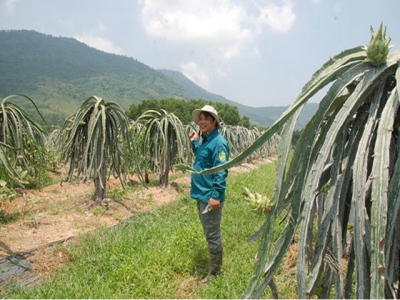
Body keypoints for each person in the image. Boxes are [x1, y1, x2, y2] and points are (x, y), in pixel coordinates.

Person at [190, 105, 230, 285]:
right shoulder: (206, 140)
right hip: (201, 195)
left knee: (212, 234)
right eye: (200, 118)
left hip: (209, 197)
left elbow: (221, 172)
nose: (201, 121)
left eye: (206, 118)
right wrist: (195, 143)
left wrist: (216, 196)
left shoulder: (219, 142)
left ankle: (214, 274)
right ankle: (214, 268)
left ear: (214, 121)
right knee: (209, 232)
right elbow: (202, 160)